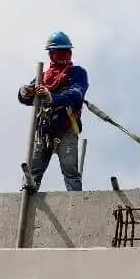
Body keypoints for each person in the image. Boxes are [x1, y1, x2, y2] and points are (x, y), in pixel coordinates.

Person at [18, 30, 90, 191]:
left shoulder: (76, 73)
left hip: (66, 129)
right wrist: (25, 91)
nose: (64, 55)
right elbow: (26, 98)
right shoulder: (43, 77)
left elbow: (76, 94)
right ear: (51, 54)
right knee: (33, 171)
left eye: (66, 51)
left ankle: (75, 202)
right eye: (60, 52)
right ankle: (27, 198)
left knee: (70, 170)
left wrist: (52, 97)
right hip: (45, 131)